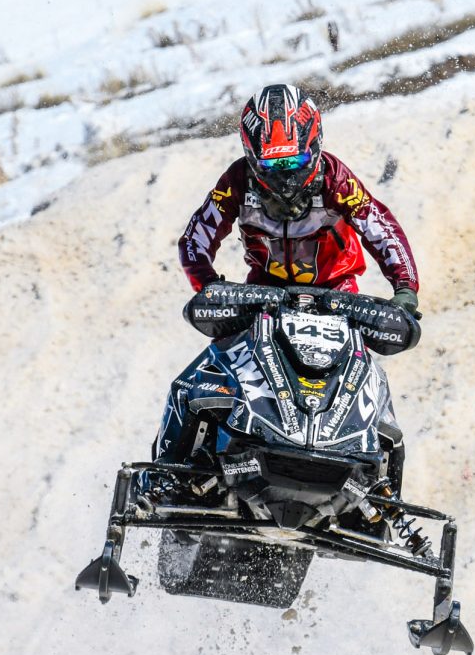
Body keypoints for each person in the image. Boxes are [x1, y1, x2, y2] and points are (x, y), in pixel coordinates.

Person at [159, 83, 421, 455]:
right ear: (251, 155)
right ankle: (168, 474)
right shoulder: (236, 181)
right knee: (194, 382)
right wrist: (209, 286)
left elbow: (380, 228)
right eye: (272, 164)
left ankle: (379, 475)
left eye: (294, 162)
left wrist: (405, 288)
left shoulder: (337, 179)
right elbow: (195, 239)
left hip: (337, 299)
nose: (285, 177)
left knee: (374, 389)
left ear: (315, 146)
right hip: (262, 297)